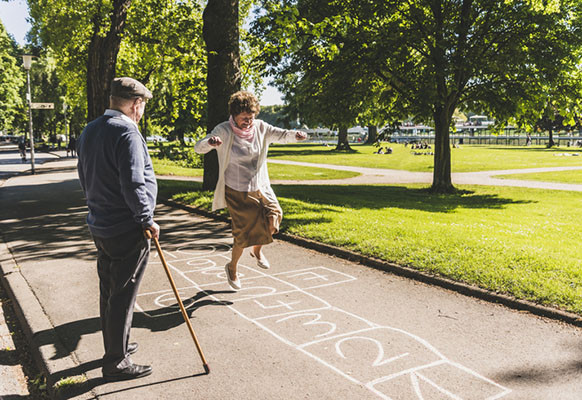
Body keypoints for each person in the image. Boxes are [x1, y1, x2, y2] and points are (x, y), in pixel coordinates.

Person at [76, 77, 159, 382]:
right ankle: (116, 361)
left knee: (109, 290)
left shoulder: (90, 129)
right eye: (143, 106)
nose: (142, 112)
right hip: (126, 226)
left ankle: (117, 346)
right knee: (122, 294)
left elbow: (84, 176)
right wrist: (146, 218)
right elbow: (134, 182)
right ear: (136, 104)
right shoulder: (127, 131)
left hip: (100, 223)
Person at [195, 91, 308, 290]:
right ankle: (232, 267)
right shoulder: (223, 130)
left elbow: (281, 134)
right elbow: (199, 147)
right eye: (244, 118)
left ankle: (257, 251)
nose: (249, 121)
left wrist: (296, 135)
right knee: (243, 233)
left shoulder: (261, 127)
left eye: (252, 116)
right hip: (236, 189)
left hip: (260, 185)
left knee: (275, 217)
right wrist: (210, 143)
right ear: (234, 115)